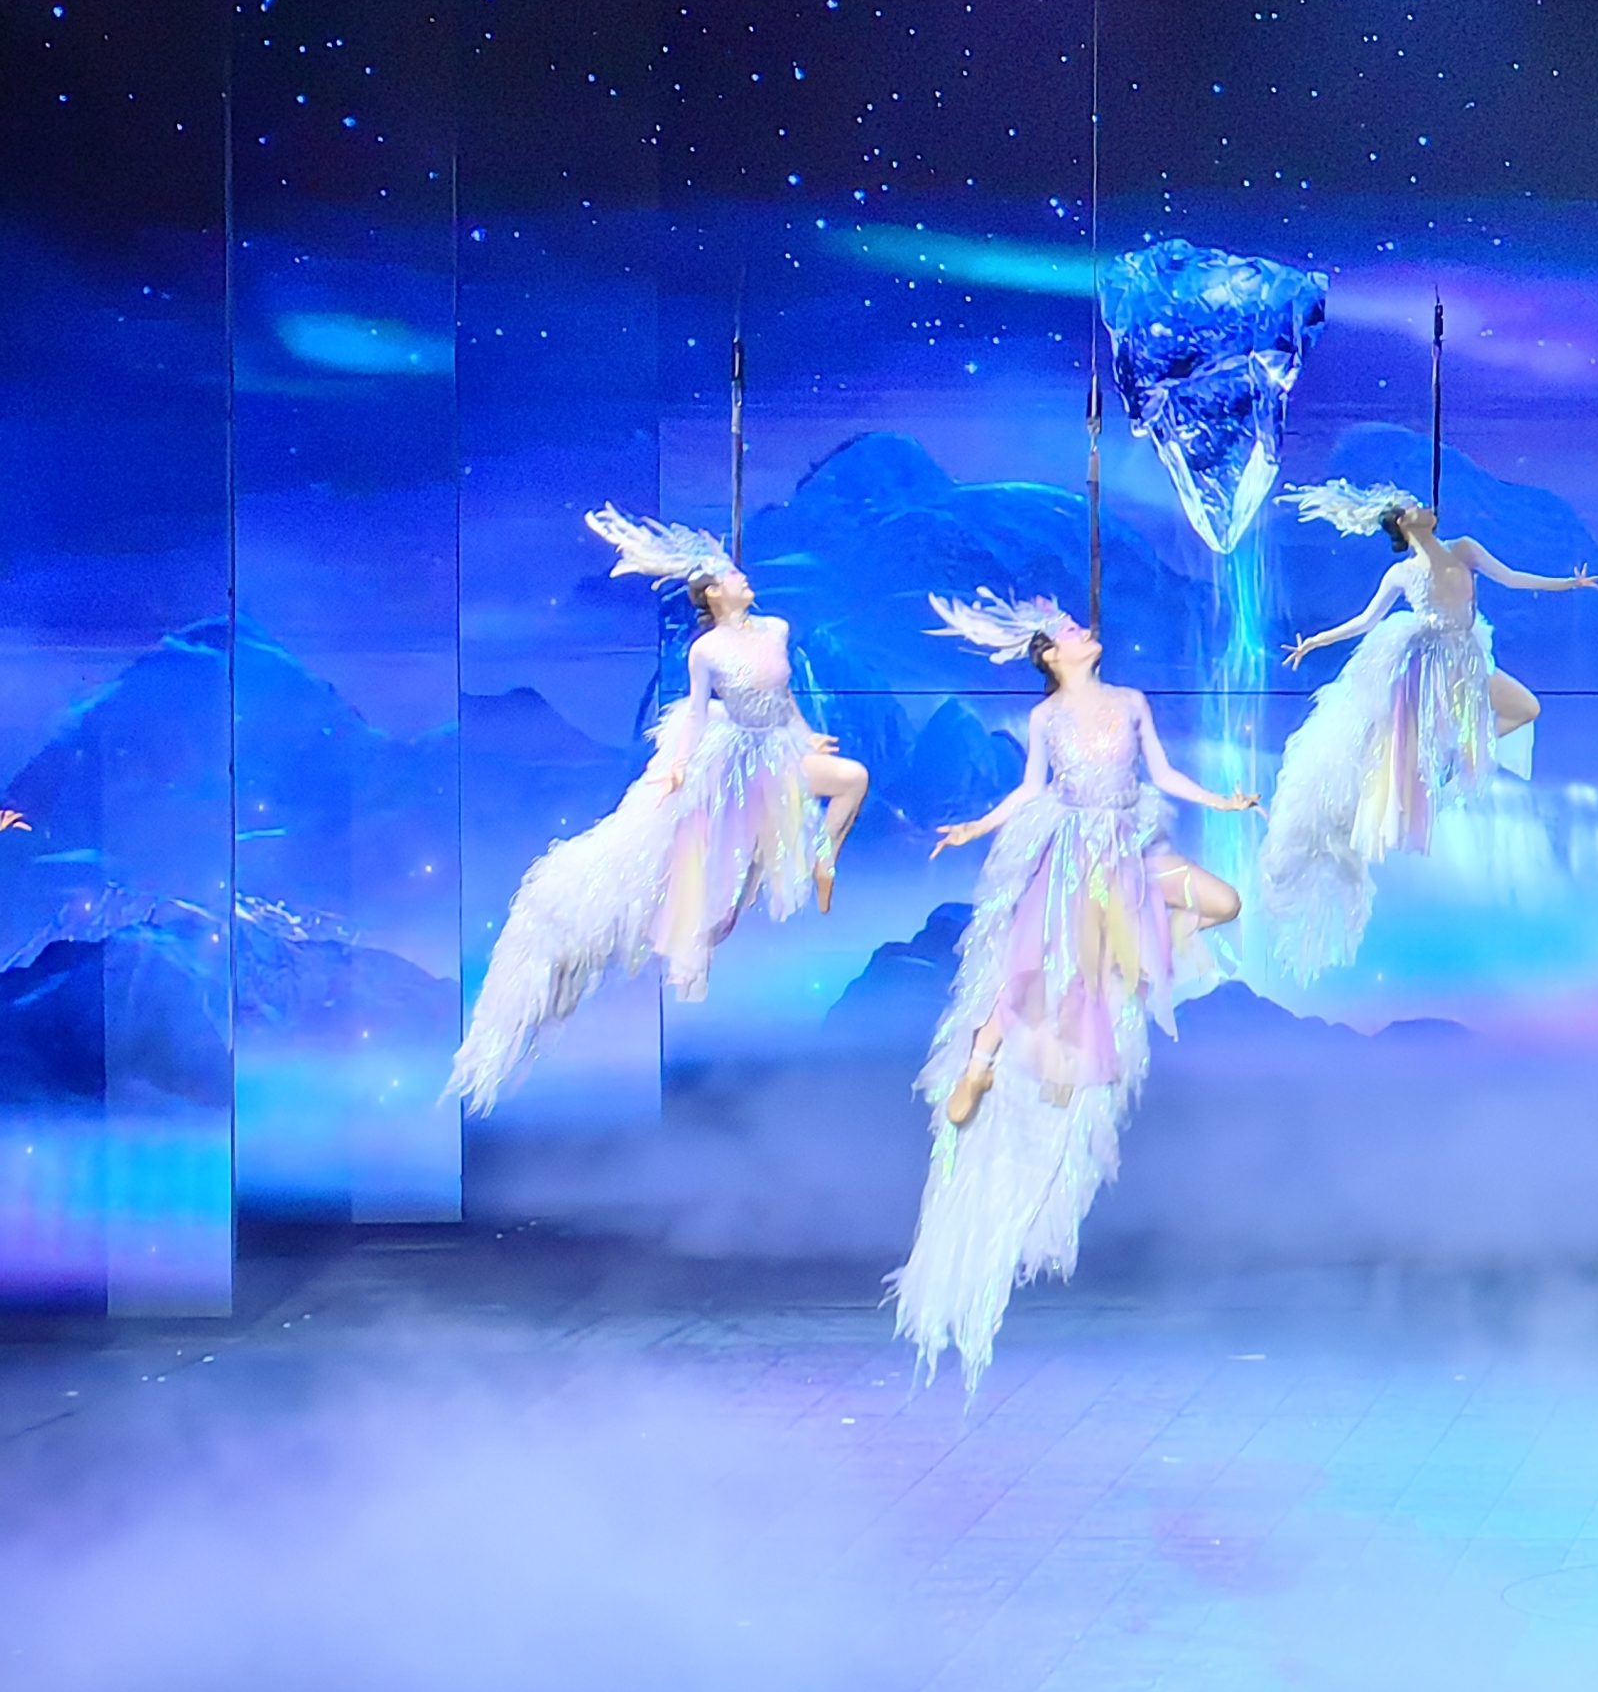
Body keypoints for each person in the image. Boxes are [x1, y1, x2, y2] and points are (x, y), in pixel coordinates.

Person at [893, 592, 1256, 1387]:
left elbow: (1164, 773)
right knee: (1033, 963)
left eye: (1082, 629)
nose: (1083, 632)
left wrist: (1221, 801)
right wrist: (977, 827)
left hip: (1133, 846)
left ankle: (1146, 949)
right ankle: (980, 1061)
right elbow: (1030, 790)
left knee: (1223, 902)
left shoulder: (1130, 701)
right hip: (1076, 856)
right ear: (1052, 658)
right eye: (1066, 634)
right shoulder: (1046, 718)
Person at [441, 509, 868, 1112]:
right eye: (733, 577)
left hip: (778, 748)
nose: (744, 579)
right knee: (721, 884)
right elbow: (694, 713)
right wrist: (676, 765)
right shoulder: (707, 650)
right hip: (734, 756)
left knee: (852, 780)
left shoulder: (775, 629)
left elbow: (785, 696)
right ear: (713, 594)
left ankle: (824, 858)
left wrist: (805, 736)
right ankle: (685, 948)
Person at [1256, 479, 1597, 975]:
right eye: (1412, 507)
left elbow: (1512, 578)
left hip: (1467, 656)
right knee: (1400, 744)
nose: (1423, 506)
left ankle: (1458, 755)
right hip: (1426, 664)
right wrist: (1315, 642)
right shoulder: (1402, 572)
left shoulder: (1464, 550)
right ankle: (1429, 766)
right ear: (1402, 523)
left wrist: (1568, 584)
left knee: (1526, 707)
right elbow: (1365, 621)